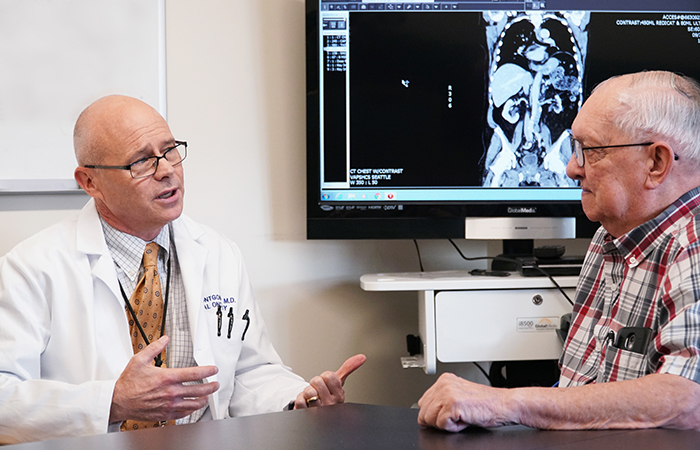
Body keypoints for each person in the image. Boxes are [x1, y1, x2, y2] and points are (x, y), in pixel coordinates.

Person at [0, 95, 366, 445]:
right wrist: (111, 400)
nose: (167, 171)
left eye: (170, 151)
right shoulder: (32, 268)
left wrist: (298, 401)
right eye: (141, 161)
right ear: (89, 182)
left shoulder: (219, 253)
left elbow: (247, 372)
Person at [417, 71, 700, 431]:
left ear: (656, 162)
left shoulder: (693, 242)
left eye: (590, 151)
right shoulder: (610, 237)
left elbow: (688, 400)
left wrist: (507, 402)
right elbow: (581, 387)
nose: (571, 168)